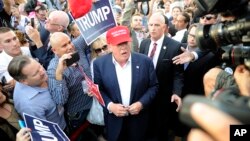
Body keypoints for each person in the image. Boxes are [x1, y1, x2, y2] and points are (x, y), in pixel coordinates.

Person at [93, 26, 158, 141]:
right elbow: (99, 90)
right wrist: (110, 106)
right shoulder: (99, 64)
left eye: (126, 43)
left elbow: (153, 86)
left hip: (139, 121)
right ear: (109, 46)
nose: (124, 48)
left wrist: (141, 104)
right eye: (119, 44)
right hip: (114, 121)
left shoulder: (145, 61)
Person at [139, 12, 184, 140]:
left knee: (159, 131)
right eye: (150, 24)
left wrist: (177, 92)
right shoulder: (144, 44)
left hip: (162, 98)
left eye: (156, 25)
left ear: (164, 27)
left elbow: (178, 74)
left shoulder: (174, 46)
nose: (152, 28)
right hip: (144, 95)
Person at [47, 32, 92, 132]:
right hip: (80, 113)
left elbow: (89, 33)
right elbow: (60, 100)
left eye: (69, 42)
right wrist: (59, 73)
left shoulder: (76, 47)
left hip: (95, 102)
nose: (70, 47)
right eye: (64, 46)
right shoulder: (53, 69)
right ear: (54, 50)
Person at [8, 55, 66, 130]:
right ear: (23, 81)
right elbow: (44, 132)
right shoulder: (29, 106)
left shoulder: (32, 73)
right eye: (35, 74)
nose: (42, 71)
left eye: (39, 66)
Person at [0, 27, 31, 96]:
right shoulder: (1, 63)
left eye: (15, 38)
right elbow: (15, 84)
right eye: (8, 41)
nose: (14, 44)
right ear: (0, 46)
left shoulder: (27, 50)